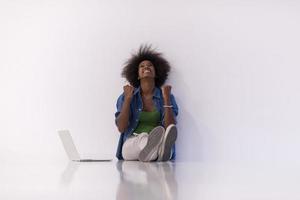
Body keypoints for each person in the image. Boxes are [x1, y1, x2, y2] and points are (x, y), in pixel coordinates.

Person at [115, 44, 179, 162]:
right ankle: (159, 150)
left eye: (150, 65)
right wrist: (128, 99)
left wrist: (166, 99)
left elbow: (170, 127)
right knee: (142, 140)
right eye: (142, 66)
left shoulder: (167, 96)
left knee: (150, 149)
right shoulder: (127, 96)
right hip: (132, 143)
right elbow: (121, 127)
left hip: (154, 144)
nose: (146, 67)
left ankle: (155, 150)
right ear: (137, 75)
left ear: (156, 73)